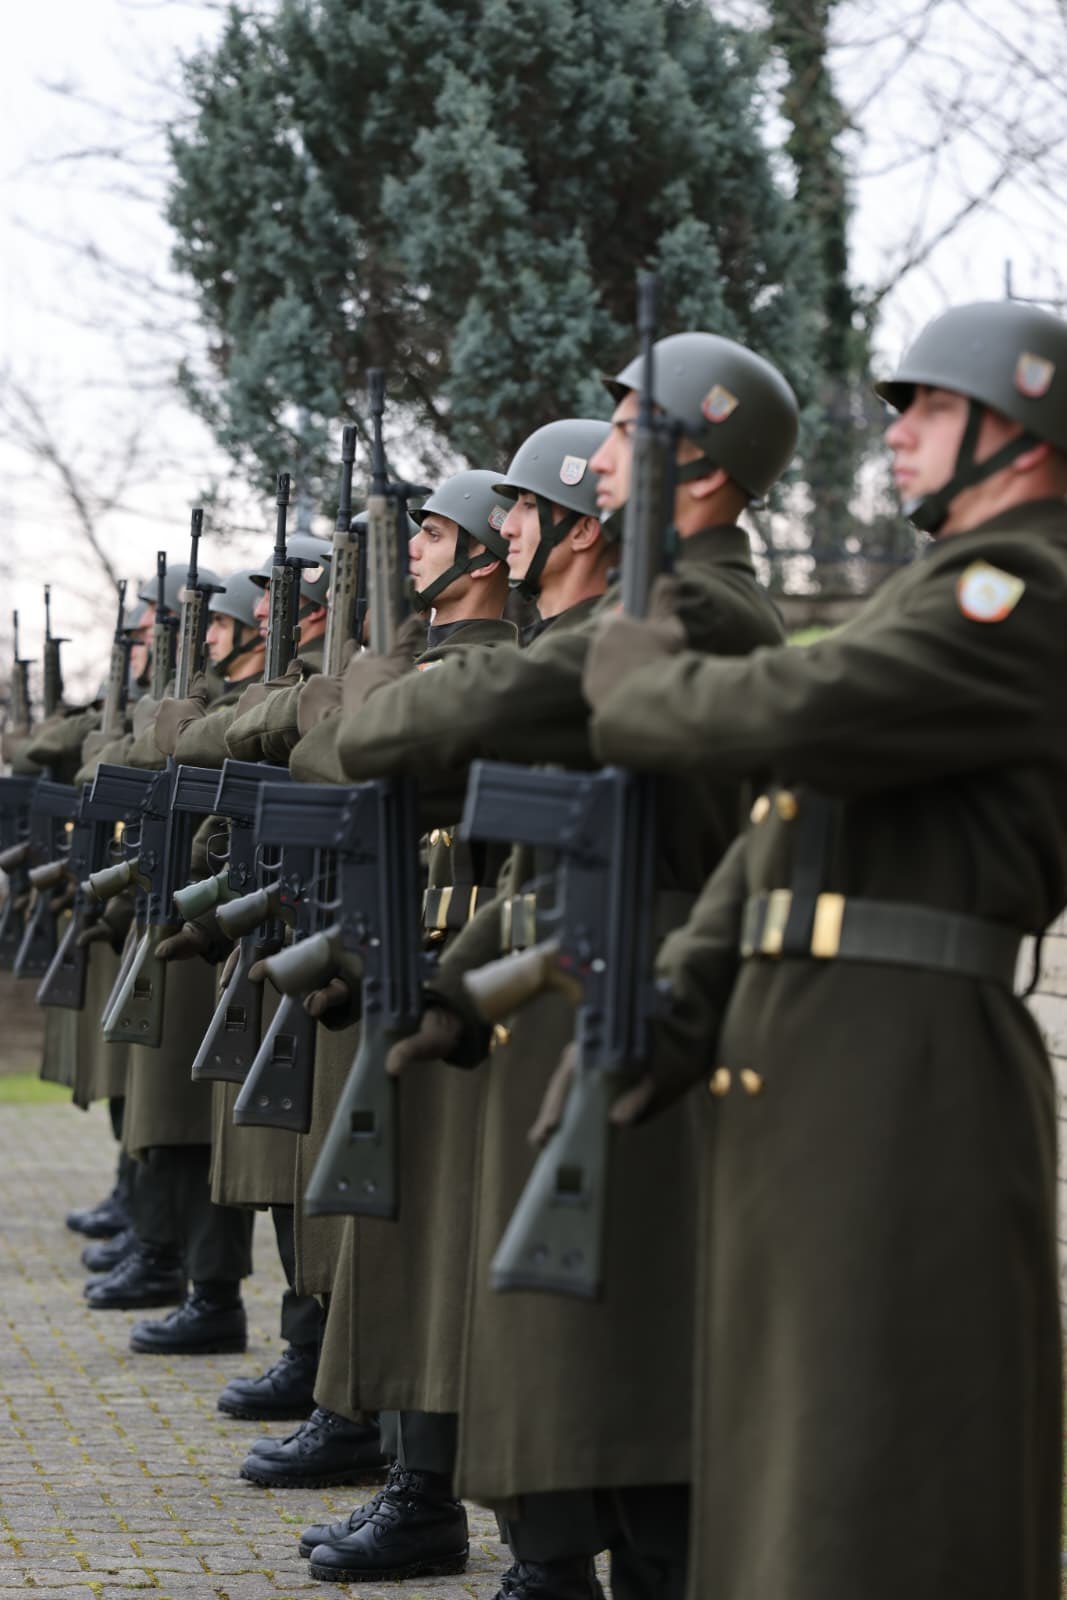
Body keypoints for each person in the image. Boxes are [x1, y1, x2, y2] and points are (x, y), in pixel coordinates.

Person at [580, 299, 1067, 1600]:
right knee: (793, 1448)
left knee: (874, 1461)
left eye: (929, 405)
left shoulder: (1018, 586)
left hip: (904, 1065)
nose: (895, 429)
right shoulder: (931, 586)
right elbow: (790, 830)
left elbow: (808, 715)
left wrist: (640, 692)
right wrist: (686, 995)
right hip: (817, 1056)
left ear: (1019, 433)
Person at [311, 338, 796, 1600]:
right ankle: (556, 1561)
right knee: (579, 1342)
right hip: (581, 965)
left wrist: (369, 708)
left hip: (649, 981)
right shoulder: (670, 604)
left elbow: (476, 711)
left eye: (636, 429)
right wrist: (464, 980)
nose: (609, 446)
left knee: (629, 1355)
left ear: (698, 466)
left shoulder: (698, 608)